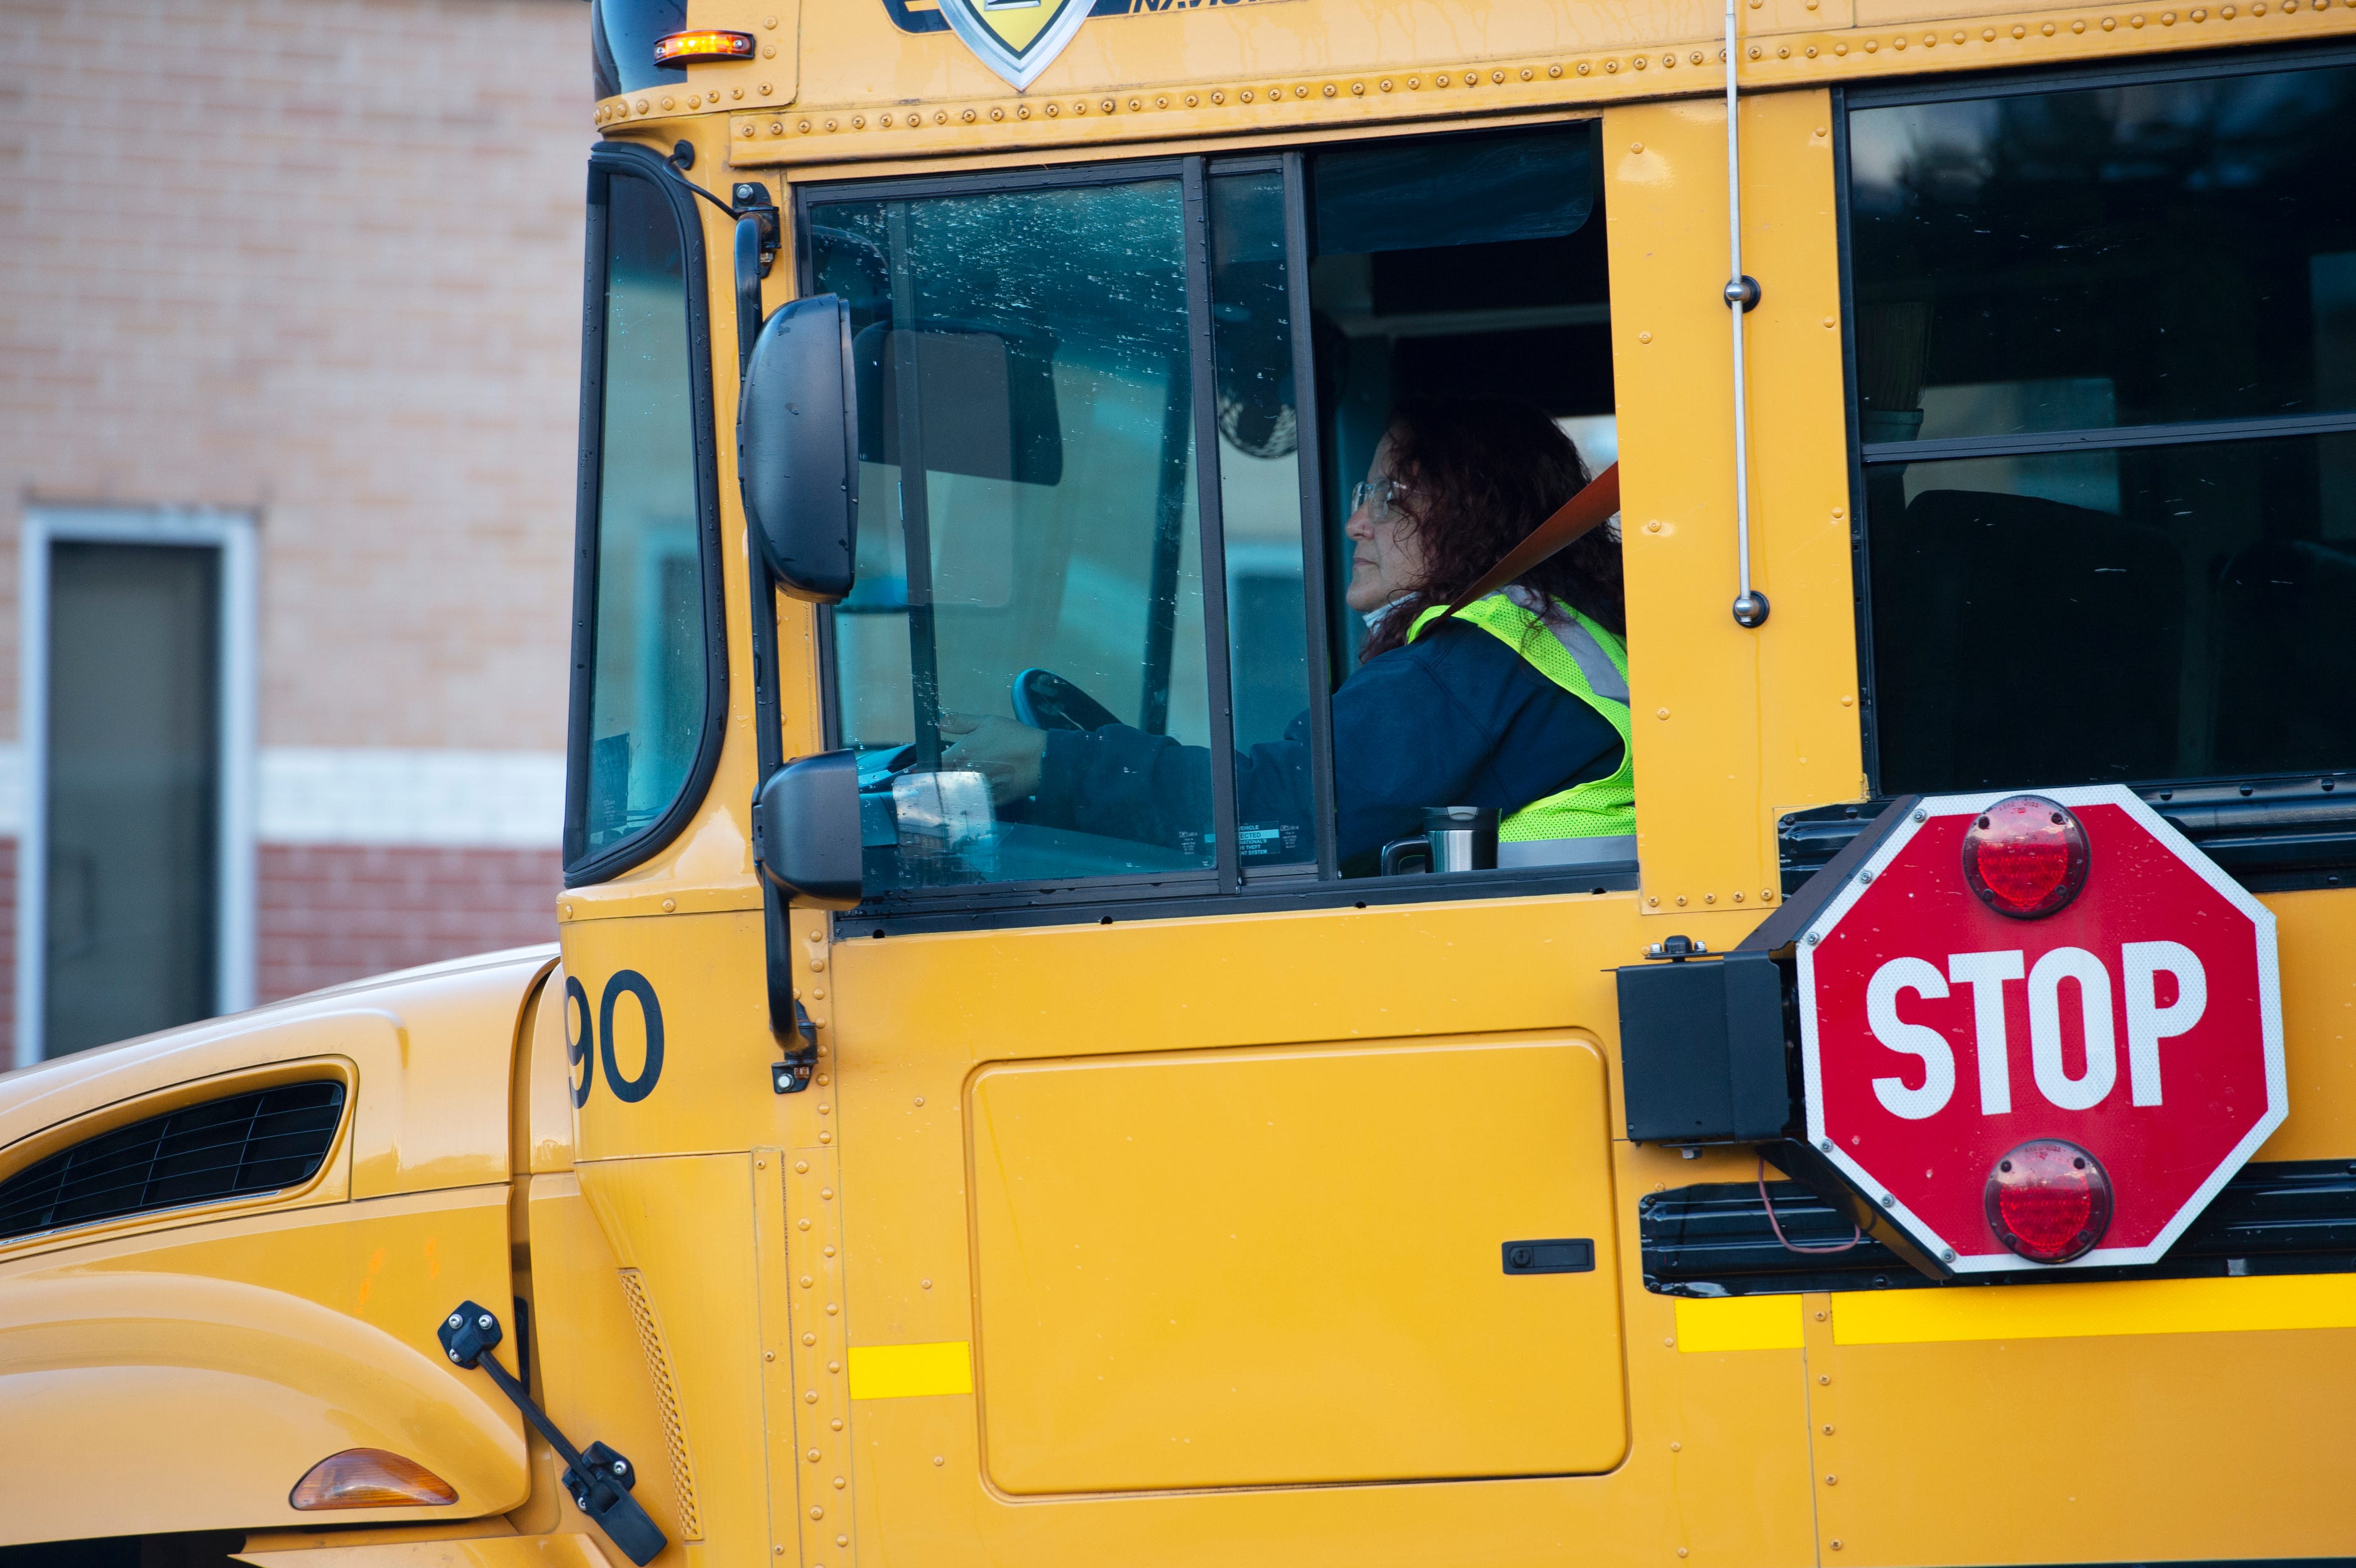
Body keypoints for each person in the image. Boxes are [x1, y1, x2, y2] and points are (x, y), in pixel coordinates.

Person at [937, 397, 1633, 873]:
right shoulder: (1551, 636)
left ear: (1479, 512)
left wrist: (1058, 766)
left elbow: (1290, 810)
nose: (1356, 525)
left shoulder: (1475, 662)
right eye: (1363, 497)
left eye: (1390, 500)